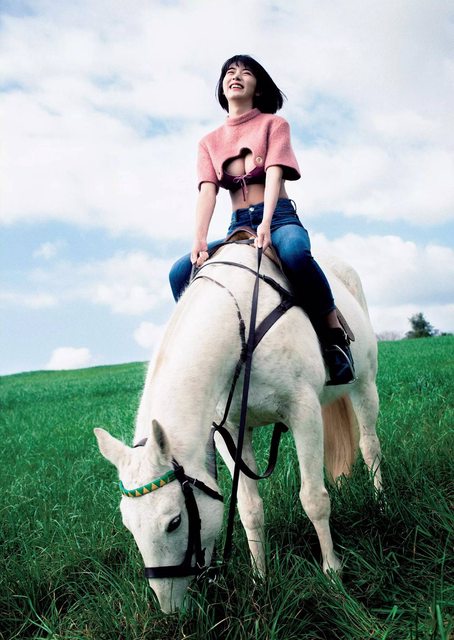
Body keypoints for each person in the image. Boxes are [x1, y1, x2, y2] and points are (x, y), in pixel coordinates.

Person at [169, 54, 355, 385]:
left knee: (295, 253)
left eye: (246, 72)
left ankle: (333, 336)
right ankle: (200, 349)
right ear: (222, 87)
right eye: (229, 72)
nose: (236, 76)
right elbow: (208, 192)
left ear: (257, 88)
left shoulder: (274, 125)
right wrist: (199, 239)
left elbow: (273, 173)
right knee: (180, 271)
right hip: (238, 226)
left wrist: (267, 222)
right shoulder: (208, 142)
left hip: (279, 218)